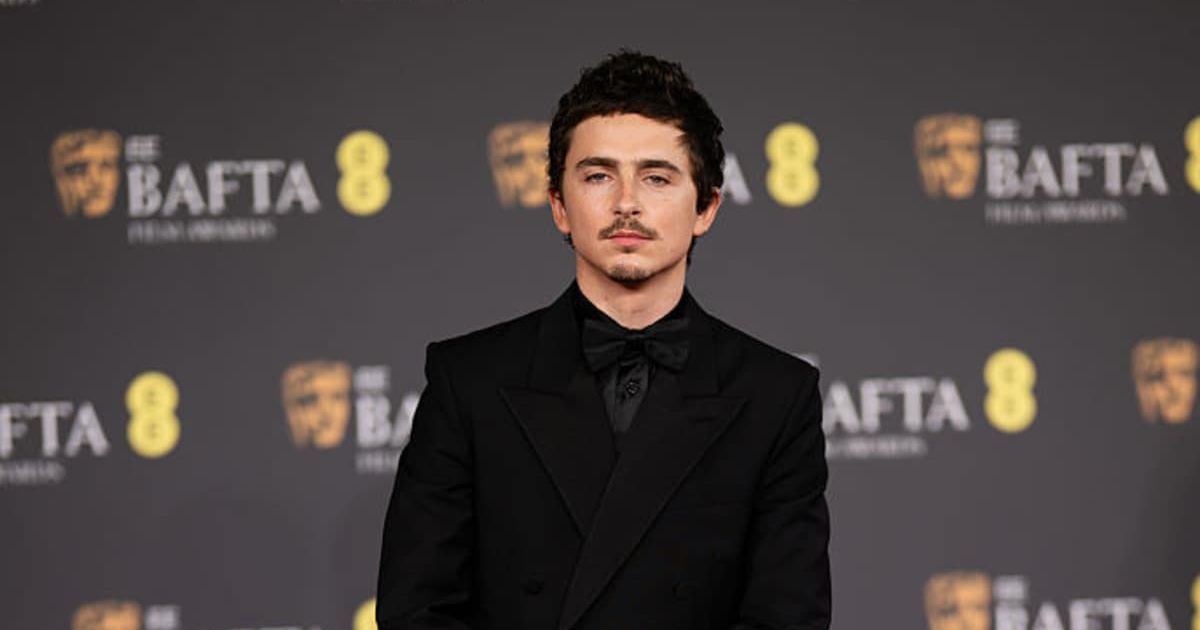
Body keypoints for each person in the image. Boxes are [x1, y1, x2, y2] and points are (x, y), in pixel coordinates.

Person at [377, 49, 831, 630]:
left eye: (657, 177)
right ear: (559, 206)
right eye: (598, 175)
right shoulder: (468, 380)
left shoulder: (776, 396)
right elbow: (417, 608)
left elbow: (786, 617)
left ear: (707, 207)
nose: (626, 203)